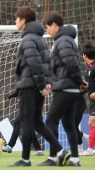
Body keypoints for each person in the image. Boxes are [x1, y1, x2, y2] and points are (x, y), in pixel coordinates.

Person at [7, 7, 71, 167]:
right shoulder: (40, 38)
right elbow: (47, 63)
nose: (15, 21)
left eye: (17, 18)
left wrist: (43, 85)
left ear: (23, 21)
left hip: (29, 86)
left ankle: (25, 159)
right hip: (36, 86)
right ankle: (61, 152)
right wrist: (47, 82)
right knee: (37, 122)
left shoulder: (28, 39)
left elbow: (35, 63)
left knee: (27, 122)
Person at [41, 12, 88, 166]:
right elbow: (73, 63)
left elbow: (72, 63)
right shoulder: (66, 40)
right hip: (70, 88)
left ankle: (55, 156)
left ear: (54, 25)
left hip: (66, 87)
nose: (47, 31)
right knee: (69, 124)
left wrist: (79, 80)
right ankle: (75, 159)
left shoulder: (62, 40)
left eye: (47, 27)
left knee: (50, 120)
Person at [2, 90, 44, 156]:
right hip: (29, 106)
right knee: (29, 128)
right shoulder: (26, 83)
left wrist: (12, 95)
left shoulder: (28, 82)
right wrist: (12, 95)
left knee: (17, 123)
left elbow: (22, 89)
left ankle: (10, 146)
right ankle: (38, 150)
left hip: (29, 107)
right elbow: (21, 90)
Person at [81, 42, 95, 156]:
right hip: (92, 101)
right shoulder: (88, 68)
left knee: (91, 121)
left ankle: (90, 150)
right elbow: (88, 85)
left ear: (84, 55)